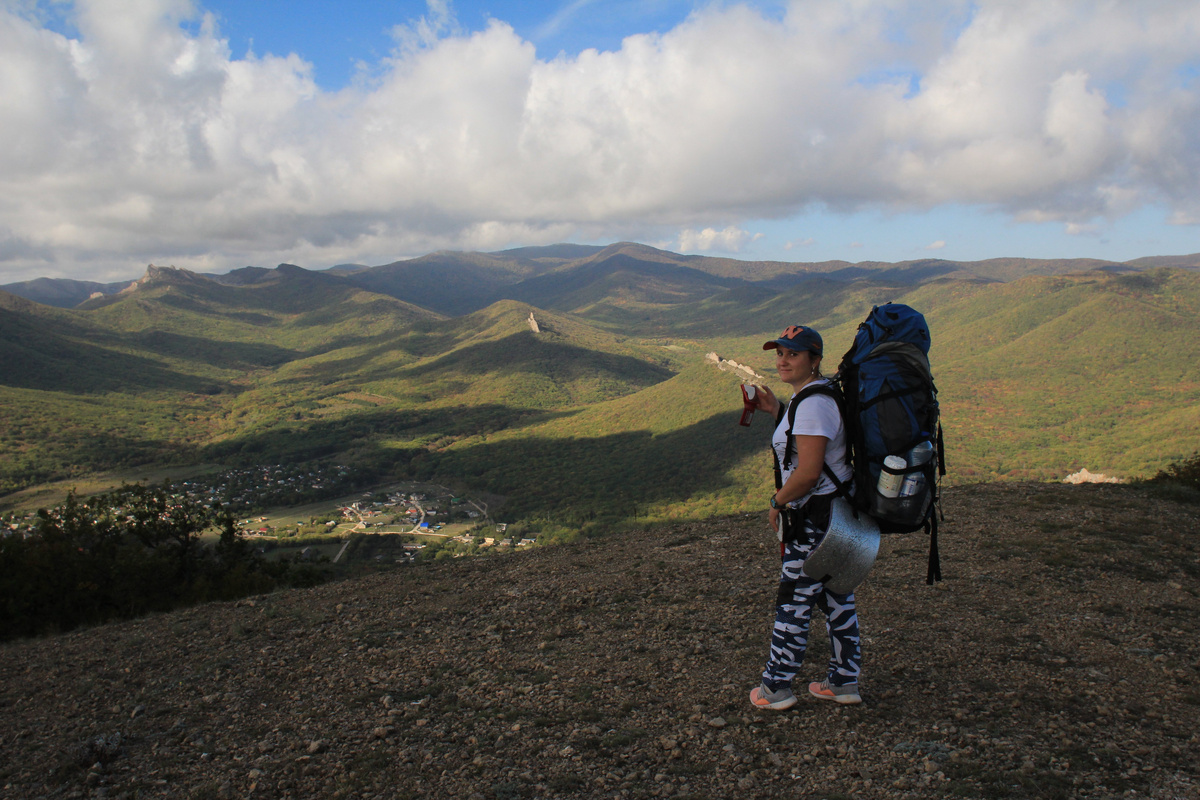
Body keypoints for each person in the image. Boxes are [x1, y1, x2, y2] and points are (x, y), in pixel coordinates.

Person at [746, 325, 863, 710]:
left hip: (813, 520)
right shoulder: (813, 396)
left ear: (814, 359)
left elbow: (809, 472)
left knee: (793, 600)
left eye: (793, 354)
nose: (782, 360)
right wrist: (777, 410)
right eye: (779, 352)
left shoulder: (813, 403)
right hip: (837, 516)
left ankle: (775, 687)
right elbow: (810, 443)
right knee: (836, 596)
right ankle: (844, 682)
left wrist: (777, 502)